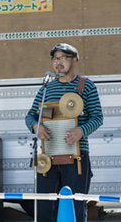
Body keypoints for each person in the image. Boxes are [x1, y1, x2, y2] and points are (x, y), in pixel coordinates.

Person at [25, 43, 103, 222]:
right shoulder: (46, 89)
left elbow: (97, 117)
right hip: (47, 158)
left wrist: (81, 130)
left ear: (74, 61)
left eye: (63, 58)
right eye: (55, 59)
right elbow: (31, 116)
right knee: (44, 207)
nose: (58, 63)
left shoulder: (85, 85)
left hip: (76, 157)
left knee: (75, 206)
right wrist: (36, 127)